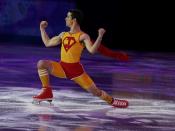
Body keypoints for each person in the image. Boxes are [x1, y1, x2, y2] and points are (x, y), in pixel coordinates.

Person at [33, 9, 128, 108]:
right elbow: (47, 43)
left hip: (76, 71)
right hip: (62, 68)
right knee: (41, 64)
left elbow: (92, 50)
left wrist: (100, 36)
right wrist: (42, 29)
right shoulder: (63, 35)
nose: (65, 18)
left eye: (68, 17)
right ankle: (47, 92)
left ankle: (112, 101)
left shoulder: (83, 36)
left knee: (96, 92)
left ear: (73, 20)